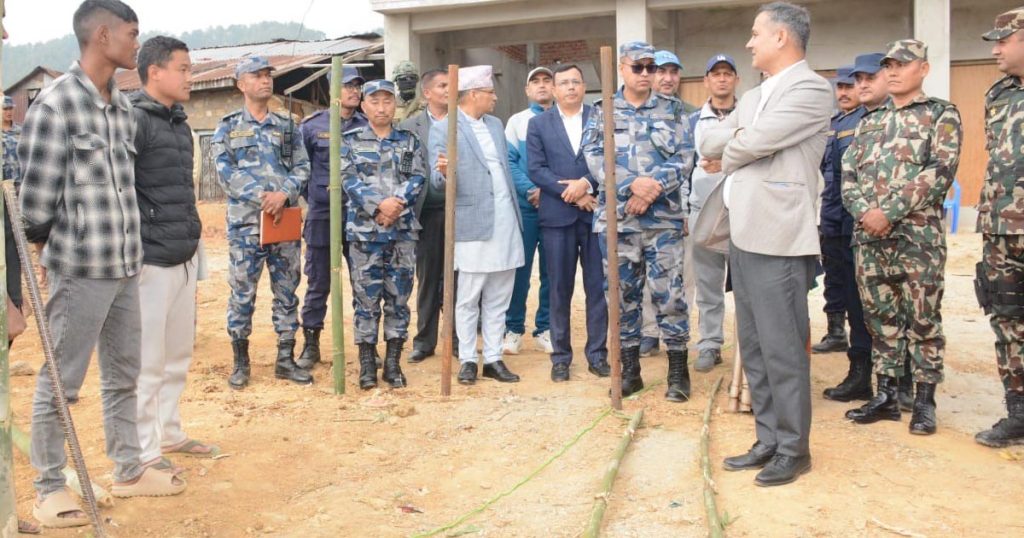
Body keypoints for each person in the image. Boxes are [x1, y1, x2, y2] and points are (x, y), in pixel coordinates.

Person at [20, 1, 186, 527]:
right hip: (80, 270)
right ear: (103, 36)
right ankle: (49, 488)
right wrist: (50, 256)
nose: (137, 43)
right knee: (61, 382)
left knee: (122, 376)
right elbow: (34, 205)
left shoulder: (122, 108)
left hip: (125, 265)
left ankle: (129, 470)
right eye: (132, 34)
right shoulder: (56, 106)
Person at [697, 2, 832, 486]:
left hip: (779, 236)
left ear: (781, 37)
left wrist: (733, 149)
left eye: (756, 34)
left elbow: (752, 143)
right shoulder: (755, 95)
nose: (749, 42)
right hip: (744, 232)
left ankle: (794, 449)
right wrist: (740, 140)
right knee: (754, 345)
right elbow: (708, 141)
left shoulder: (812, 89)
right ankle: (768, 438)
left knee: (783, 348)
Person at [841, 39, 962, 436]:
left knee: (923, 320)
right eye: (889, 65)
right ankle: (887, 396)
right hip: (870, 239)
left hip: (916, 240)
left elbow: (939, 171)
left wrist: (887, 213)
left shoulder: (940, 114)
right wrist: (865, 213)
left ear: (923, 69)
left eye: (902, 64)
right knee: (881, 320)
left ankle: (924, 402)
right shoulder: (869, 121)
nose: (892, 72)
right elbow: (848, 177)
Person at [582, 41, 694, 402]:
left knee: (670, 295)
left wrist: (651, 189)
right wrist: (632, 185)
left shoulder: (673, 110)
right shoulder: (603, 111)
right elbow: (594, 157)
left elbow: (685, 158)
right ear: (622, 68)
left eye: (651, 67)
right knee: (622, 296)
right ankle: (630, 371)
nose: (646, 74)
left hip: (663, 221)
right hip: (619, 221)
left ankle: (678, 372)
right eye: (638, 67)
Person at [131, 35, 217, 474]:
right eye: (183, 69)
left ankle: (169, 431)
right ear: (155, 72)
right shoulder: (133, 120)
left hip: (183, 253)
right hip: (149, 260)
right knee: (147, 360)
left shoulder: (180, 124)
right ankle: (143, 450)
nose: (190, 77)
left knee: (177, 354)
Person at [212, 56, 312, 389]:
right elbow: (226, 174)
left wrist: (283, 194)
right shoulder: (227, 127)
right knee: (242, 293)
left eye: (268, 75)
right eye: (257, 75)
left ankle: (285, 359)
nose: (265, 80)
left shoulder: (287, 126)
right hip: (246, 226)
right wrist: (263, 197)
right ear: (241, 84)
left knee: (287, 291)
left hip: (283, 223)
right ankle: (241, 362)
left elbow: (303, 167)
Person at [429, 65, 524, 385]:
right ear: (473, 95)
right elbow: (436, 181)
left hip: (505, 219)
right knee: (469, 296)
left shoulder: (495, 125)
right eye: (490, 93)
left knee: (499, 294)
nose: (495, 98)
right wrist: (444, 173)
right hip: (473, 222)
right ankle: (468, 358)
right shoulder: (445, 127)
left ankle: (493, 358)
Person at [526, 63, 610, 382]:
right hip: (557, 218)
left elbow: (610, 159)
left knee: (597, 288)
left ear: (584, 86)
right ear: (554, 89)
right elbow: (536, 169)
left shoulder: (601, 118)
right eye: (564, 83)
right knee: (559, 289)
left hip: (595, 216)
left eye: (576, 81)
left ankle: (597, 354)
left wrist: (586, 184)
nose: (571, 87)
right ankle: (560, 357)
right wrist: (574, 194)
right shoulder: (538, 124)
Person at [341, 79, 425, 390]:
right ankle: (367, 362)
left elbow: (418, 176)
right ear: (363, 106)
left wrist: (396, 204)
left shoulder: (409, 141)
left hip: (402, 231)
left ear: (395, 105)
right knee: (365, 300)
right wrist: (379, 205)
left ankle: (392, 363)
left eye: (387, 101)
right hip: (365, 234)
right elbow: (348, 178)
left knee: (399, 298)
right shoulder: (349, 141)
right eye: (374, 101)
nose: (381, 108)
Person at [821, 53, 886, 403]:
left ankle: (897, 382)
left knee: (879, 305)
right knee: (851, 298)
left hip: (870, 225)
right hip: (838, 222)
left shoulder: (879, 120)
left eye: (862, 81)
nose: (852, 89)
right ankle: (860, 373)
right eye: (847, 84)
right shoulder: (836, 124)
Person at [974, 7, 1024, 448]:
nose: (996, 50)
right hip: (1001, 227)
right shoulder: (999, 94)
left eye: (1004, 41)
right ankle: (1018, 412)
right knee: (1007, 319)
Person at [296, 66, 367, 370]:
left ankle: (365, 347)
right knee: (318, 282)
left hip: (359, 214)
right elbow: (301, 170)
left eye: (357, 86)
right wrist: (316, 197)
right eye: (348, 85)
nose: (354, 91)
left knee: (363, 282)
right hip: (323, 215)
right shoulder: (312, 127)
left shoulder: (367, 126)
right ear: (332, 89)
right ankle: (311, 344)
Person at [638, 48, 697, 358]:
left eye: (673, 72)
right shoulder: (635, 111)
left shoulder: (688, 114)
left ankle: (676, 337)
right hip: (640, 207)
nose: (667, 78)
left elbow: (689, 166)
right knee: (645, 276)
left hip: (677, 209)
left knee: (679, 277)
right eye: (661, 71)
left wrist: (685, 209)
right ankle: (649, 332)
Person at [687, 54, 739, 373]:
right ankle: (709, 343)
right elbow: (683, 167)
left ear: (736, 80)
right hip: (703, 211)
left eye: (727, 73)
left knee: (747, 284)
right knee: (707, 283)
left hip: (741, 212)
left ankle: (749, 347)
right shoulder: (693, 121)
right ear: (706, 81)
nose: (722, 79)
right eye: (715, 74)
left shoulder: (750, 117)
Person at [401, 68, 454, 363]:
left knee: (459, 278)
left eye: (451, 85)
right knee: (429, 277)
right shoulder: (410, 126)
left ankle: (457, 338)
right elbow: (404, 168)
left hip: (461, 210)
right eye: (442, 85)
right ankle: (424, 340)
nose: (447, 89)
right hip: (428, 211)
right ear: (427, 93)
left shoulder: (464, 121)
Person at [503, 66, 553, 355]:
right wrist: (531, 191)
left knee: (552, 271)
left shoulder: (564, 119)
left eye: (547, 80)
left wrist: (552, 192)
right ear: (527, 90)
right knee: (519, 271)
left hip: (557, 207)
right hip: (526, 208)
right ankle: (513, 329)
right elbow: (509, 161)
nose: (542, 85)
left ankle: (545, 328)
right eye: (536, 81)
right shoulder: (517, 122)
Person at [812, 66, 860, 355]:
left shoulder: (866, 120)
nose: (843, 93)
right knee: (834, 275)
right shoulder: (831, 124)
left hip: (855, 214)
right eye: (839, 87)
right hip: (830, 212)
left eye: (849, 87)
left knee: (856, 278)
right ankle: (836, 332)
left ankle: (861, 337)